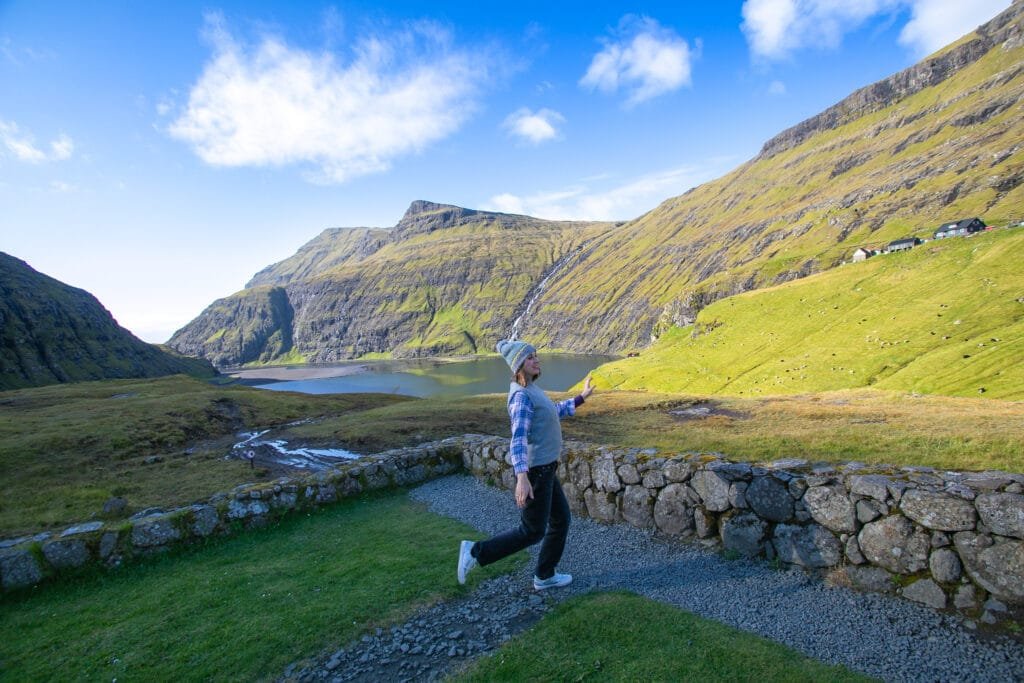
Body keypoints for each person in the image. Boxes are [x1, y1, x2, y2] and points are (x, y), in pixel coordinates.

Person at [457, 339, 595, 590]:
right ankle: (475, 552)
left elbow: (551, 412)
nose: (536, 360)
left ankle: (544, 575)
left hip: (546, 469)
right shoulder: (520, 396)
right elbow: (518, 438)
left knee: (560, 520)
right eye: (530, 357)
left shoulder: (531, 390)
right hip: (536, 472)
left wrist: (580, 398)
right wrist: (522, 477)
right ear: (519, 364)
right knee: (531, 531)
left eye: (536, 355)